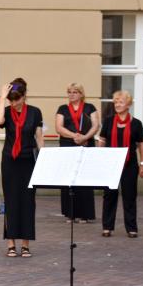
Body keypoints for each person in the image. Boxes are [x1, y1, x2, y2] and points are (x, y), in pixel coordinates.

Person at [0, 78, 44, 258]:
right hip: (10, 160)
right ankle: (10, 243)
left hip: (28, 160)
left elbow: (39, 137)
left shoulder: (34, 112)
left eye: (17, 99)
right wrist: (2, 98)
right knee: (11, 201)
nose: (13, 103)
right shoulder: (7, 111)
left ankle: (25, 244)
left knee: (27, 201)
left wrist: (42, 158)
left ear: (24, 97)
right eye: (11, 99)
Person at [98, 90, 143, 238]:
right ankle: (107, 227)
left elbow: (141, 145)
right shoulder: (108, 121)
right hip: (110, 164)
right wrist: (100, 160)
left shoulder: (136, 124)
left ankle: (131, 228)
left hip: (129, 164)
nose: (117, 105)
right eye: (115, 102)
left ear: (129, 104)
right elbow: (102, 140)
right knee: (109, 196)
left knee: (129, 196)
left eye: (120, 102)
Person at [55, 82, 100, 222]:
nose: (71, 94)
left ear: (81, 94)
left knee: (84, 179)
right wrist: (75, 136)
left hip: (86, 144)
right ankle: (70, 213)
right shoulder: (62, 108)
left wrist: (85, 137)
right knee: (69, 179)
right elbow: (59, 127)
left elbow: (95, 125)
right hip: (68, 145)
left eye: (74, 92)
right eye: (69, 92)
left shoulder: (89, 107)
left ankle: (85, 214)